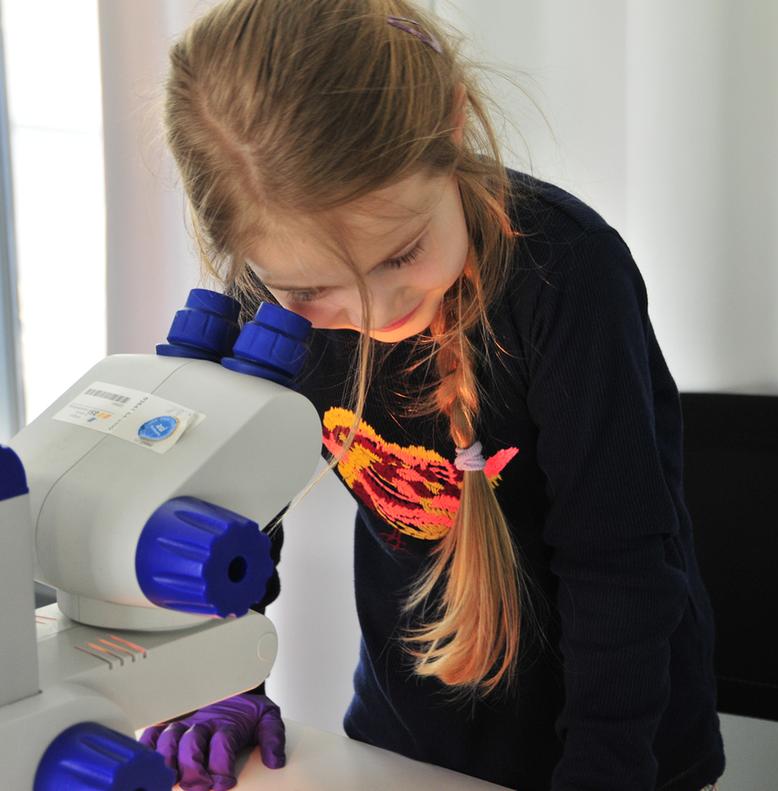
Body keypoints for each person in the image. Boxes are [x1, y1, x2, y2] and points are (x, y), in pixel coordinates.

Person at [137, 1, 726, 789]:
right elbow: (236, 518)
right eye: (314, 290)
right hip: (406, 737)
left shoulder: (567, 278)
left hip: (618, 739)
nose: (378, 313)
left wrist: (607, 768)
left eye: (402, 253)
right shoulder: (268, 302)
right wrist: (217, 679)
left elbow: (620, 565)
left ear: (451, 126)